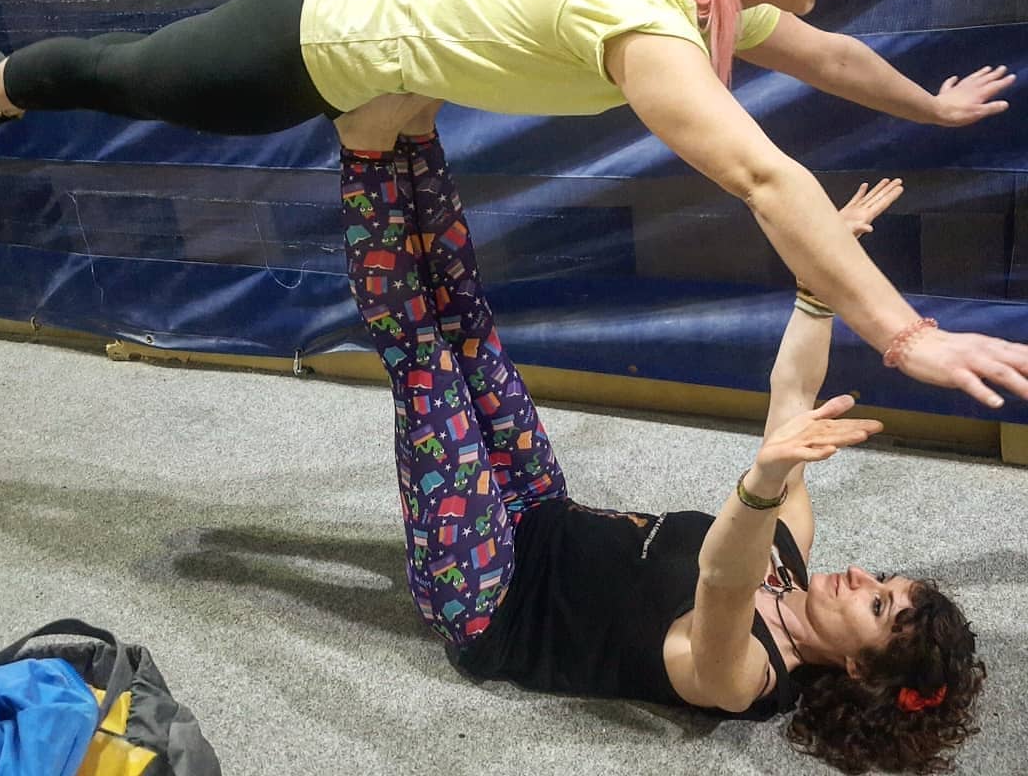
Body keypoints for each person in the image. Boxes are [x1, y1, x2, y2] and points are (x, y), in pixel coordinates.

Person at [0, 0, 1025, 407]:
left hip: (366, 30)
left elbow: (826, 56)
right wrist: (904, 336)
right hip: (299, 47)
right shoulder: (640, 7)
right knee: (117, 75)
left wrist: (929, 111)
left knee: (190, 74)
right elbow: (763, 176)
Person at [339, 128, 985, 774]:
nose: (863, 577)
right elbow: (793, 394)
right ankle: (413, 134)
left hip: (493, 599)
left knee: (425, 361)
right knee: (469, 327)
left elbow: (722, 580)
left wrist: (766, 479)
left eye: (877, 605)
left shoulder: (747, 677)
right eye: (885, 581)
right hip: (539, 510)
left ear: (857, 668)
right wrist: (822, 281)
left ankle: (365, 149)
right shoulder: (791, 549)